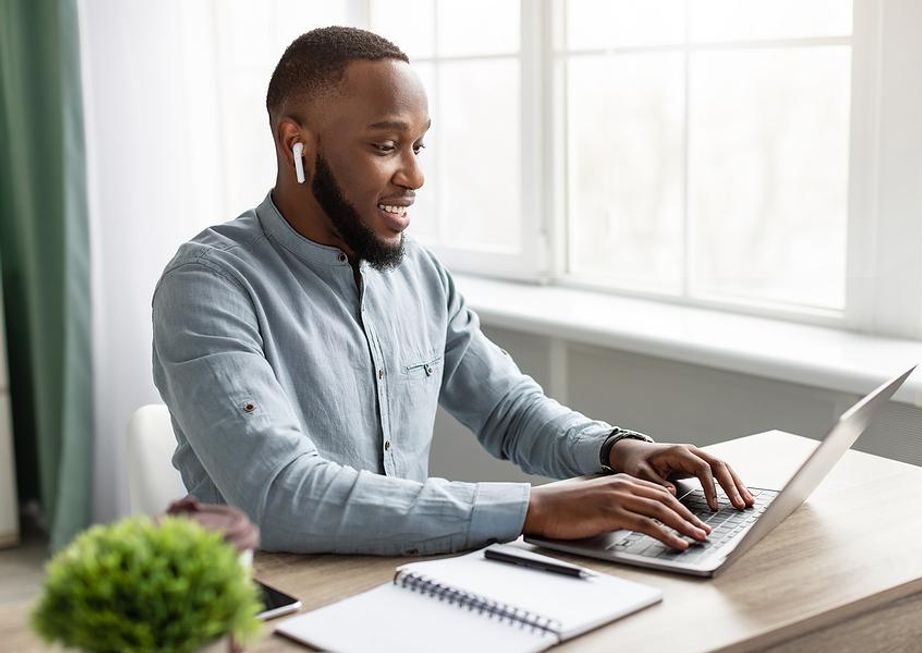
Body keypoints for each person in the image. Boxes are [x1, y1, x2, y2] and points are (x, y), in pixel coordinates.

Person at [152, 26, 755, 556]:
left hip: (412, 579)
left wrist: (616, 451)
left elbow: (508, 411)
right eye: (385, 146)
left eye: (418, 145)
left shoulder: (418, 273)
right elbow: (282, 494)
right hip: (280, 605)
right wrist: (532, 509)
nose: (414, 175)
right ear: (296, 143)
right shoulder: (208, 285)